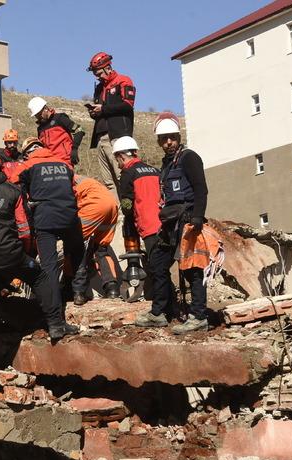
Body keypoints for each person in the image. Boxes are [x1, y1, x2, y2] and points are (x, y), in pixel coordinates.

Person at [0, 150, 78, 366]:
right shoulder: (11, 191)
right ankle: (56, 325)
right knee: (39, 278)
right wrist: (25, 253)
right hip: (11, 255)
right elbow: (24, 228)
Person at [151, 113, 217, 334]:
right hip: (170, 223)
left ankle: (198, 316)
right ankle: (158, 313)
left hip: (188, 221)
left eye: (171, 137)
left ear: (178, 137)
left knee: (193, 270)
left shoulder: (189, 158)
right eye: (163, 139)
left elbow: (201, 189)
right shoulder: (167, 164)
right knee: (158, 263)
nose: (168, 142)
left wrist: (198, 217)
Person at [10, 138, 86, 307]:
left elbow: (13, 189)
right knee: (77, 250)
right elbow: (73, 189)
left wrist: (28, 205)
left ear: (28, 153)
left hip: (45, 218)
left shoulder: (27, 166)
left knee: (49, 264)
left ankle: (54, 307)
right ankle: (79, 292)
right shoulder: (64, 164)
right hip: (69, 215)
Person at [112, 137, 166, 328]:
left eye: (117, 160)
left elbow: (127, 205)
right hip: (164, 224)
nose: (118, 165)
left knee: (158, 270)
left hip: (148, 225)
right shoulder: (154, 170)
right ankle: (169, 306)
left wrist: (129, 220)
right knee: (164, 268)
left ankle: (160, 312)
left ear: (121, 155)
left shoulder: (128, 173)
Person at [87, 52, 136, 194]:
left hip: (117, 136)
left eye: (99, 73)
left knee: (122, 175)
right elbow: (102, 111)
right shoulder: (98, 88)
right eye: (95, 74)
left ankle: (129, 211)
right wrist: (94, 112)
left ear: (108, 67)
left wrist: (104, 109)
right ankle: (117, 213)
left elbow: (128, 105)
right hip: (101, 137)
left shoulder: (123, 80)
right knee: (108, 181)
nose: (97, 77)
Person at [72, 174, 122, 303]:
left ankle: (77, 291)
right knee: (101, 248)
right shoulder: (83, 179)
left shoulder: (63, 180)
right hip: (111, 205)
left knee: (75, 244)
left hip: (95, 205)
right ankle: (112, 288)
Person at [27, 96, 85, 166]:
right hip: (49, 165)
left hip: (65, 162)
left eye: (39, 114)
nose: (38, 117)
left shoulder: (60, 118)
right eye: (36, 116)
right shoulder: (40, 129)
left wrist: (74, 149)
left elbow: (79, 130)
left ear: (45, 108)